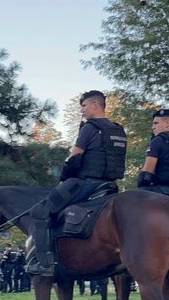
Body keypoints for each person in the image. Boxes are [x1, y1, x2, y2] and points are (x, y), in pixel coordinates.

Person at [27, 90, 127, 276]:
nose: (82, 111)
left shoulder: (89, 128)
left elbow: (75, 157)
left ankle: (44, 264)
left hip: (86, 183)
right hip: (111, 186)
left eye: (84, 106)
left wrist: (65, 176)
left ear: (95, 105)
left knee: (39, 212)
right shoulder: (118, 130)